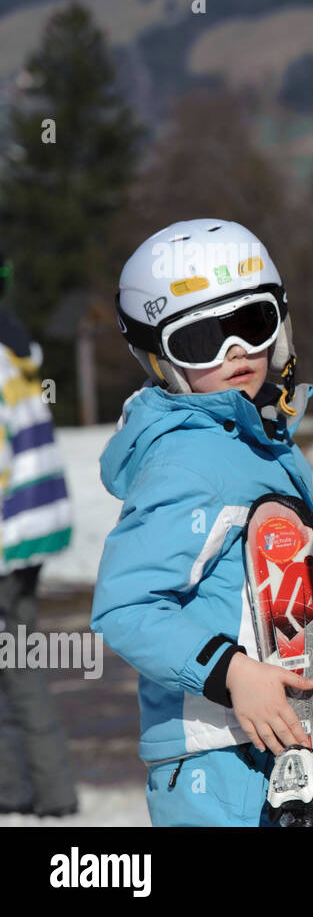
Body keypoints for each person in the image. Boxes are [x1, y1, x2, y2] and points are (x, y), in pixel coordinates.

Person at [91, 219, 313, 826]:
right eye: (200, 340)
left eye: (251, 325)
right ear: (161, 358)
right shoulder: (191, 459)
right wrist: (228, 672)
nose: (234, 351)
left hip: (285, 751)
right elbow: (126, 605)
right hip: (218, 762)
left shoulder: (265, 443)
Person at [0, 292, 77, 817]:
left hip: (7, 535)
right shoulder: (13, 353)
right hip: (29, 532)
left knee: (16, 666)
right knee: (19, 661)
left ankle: (23, 790)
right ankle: (45, 790)